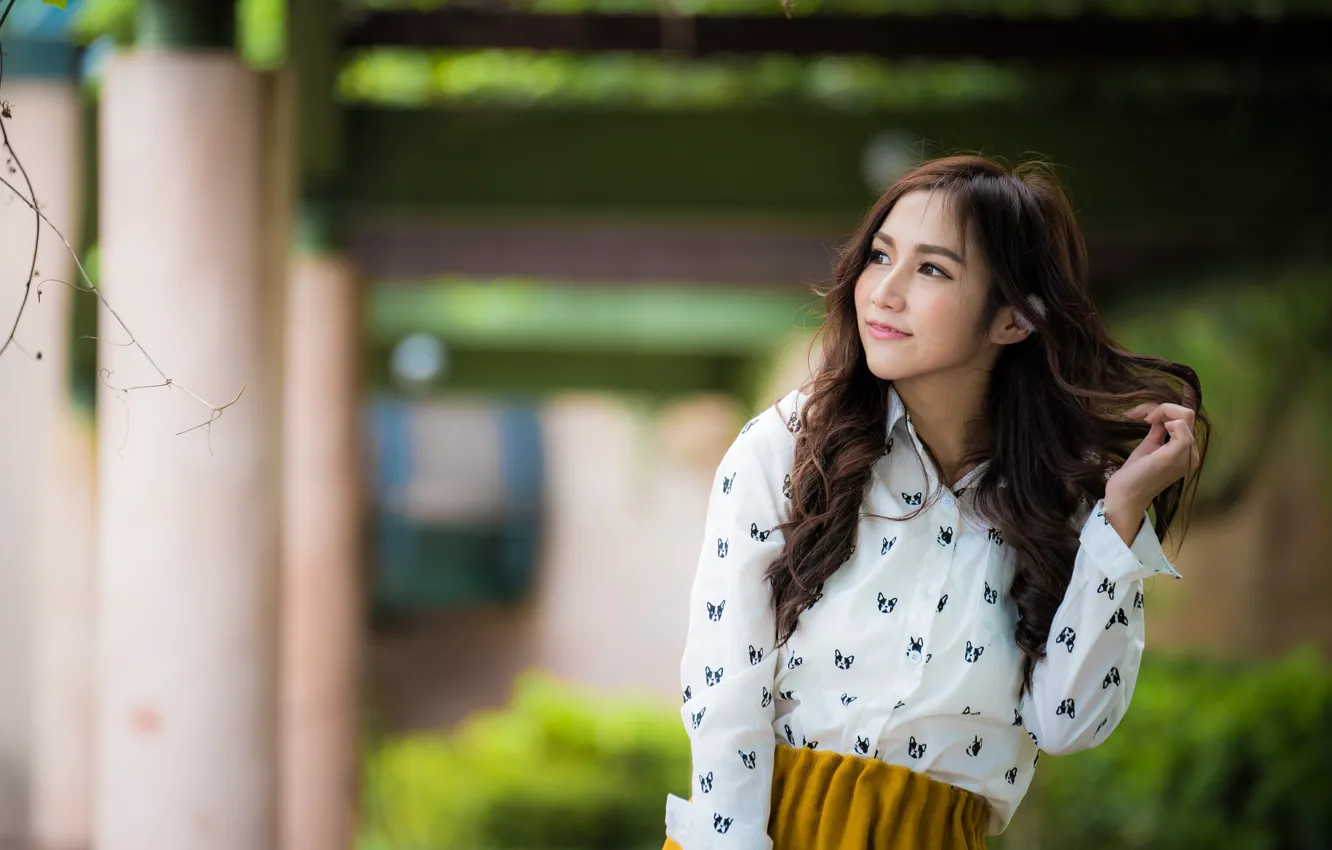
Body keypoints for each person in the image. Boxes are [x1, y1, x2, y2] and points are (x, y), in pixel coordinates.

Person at [661, 154, 1209, 850]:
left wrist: (1120, 519)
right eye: (880, 256)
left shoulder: (1060, 497)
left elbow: (1068, 722)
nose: (884, 293)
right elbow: (725, 690)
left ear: (1013, 318)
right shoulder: (788, 448)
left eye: (932, 269)